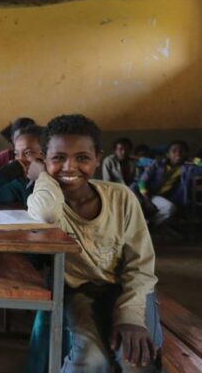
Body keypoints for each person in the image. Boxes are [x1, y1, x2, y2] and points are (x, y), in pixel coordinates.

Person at [27, 114, 162, 372]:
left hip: (130, 289)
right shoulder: (48, 201)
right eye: (58, 158)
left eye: (82, 158)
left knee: (135, 360)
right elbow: (46, 213)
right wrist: (43, 177)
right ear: (45, 160)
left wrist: (131, 316)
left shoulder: (121, 198)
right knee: (90, 361)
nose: (69, 167)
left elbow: (141, 266)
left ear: (97, 158)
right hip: (80, 292)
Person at [132, 140, 202, 227]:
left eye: (181, 151)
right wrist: (147, 199)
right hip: (147, 194)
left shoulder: (187, 169)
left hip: (167, 198)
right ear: (168, 154)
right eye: (174, 151)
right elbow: (142, 182)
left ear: (186, 153)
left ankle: (149, 226)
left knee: (169, 208)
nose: (178, 153)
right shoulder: (157, 164)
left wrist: (193, 159)